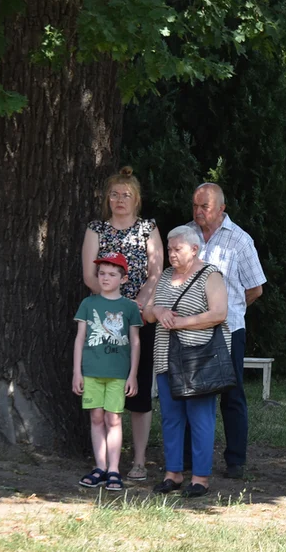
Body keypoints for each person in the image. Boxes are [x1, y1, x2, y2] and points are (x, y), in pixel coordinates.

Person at [81, 166, 163, 482]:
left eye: (125, 194)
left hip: (140, 315)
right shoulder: (96, 229)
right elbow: (90, 275)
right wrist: (112, 300)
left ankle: (139, 460)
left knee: (138, 388)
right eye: (114, 194)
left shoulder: (148, 228)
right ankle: (104, 460)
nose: (119, 199)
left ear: (136, 199)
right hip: (104, 317)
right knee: (104, 384)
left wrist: (138, 300)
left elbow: (156, 271)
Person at [188, 183, 267, 480]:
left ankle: (235, 460)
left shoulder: (240, 241)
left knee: (231, 395)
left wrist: (226, 309)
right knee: (190, 391)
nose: (198, 212)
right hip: (190, 330)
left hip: (228, 329)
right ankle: (189, 457)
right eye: (195, 206)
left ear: (221, 208)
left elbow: (256, 288)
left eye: (204, 207)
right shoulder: (185, 235)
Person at [145, 226, 229, 498]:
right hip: (165, 358)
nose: (171, 254)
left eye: (177, 249)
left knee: (201, 418)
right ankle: (173, 474)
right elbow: (146, 314)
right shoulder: (166, 276)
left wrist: (181, 323)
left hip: (198, 360)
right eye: (169, 249)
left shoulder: (210, 274)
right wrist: (157, 310)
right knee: (171, 418)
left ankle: (200, 478)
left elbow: (219, 313)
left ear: (194, 249)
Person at [72, 253, 142, 492]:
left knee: (114, 419)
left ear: (123, 279)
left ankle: (114, 469)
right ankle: (100, 467)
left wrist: (133, 374)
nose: (105, 278)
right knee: (96, 418)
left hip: (118, 373)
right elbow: (80, 339)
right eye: (101, 273)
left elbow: (135, 342)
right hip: (91, 371)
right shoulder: (88, 303)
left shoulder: (129, 307)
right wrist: (76, 372)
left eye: (112, 274)